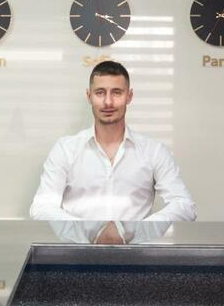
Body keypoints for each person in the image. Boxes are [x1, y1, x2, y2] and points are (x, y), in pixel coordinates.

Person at [29, 60, 196, 243]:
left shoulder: (154, 151)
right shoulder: (65, 149)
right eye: (100, 93)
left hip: (138, 255)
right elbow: (41, 207)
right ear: (89, 96)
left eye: (117, 93)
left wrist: (132, 232)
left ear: (129, 96)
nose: (108, 102)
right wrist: (90, 234)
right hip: (76, 254)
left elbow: (184, 205)